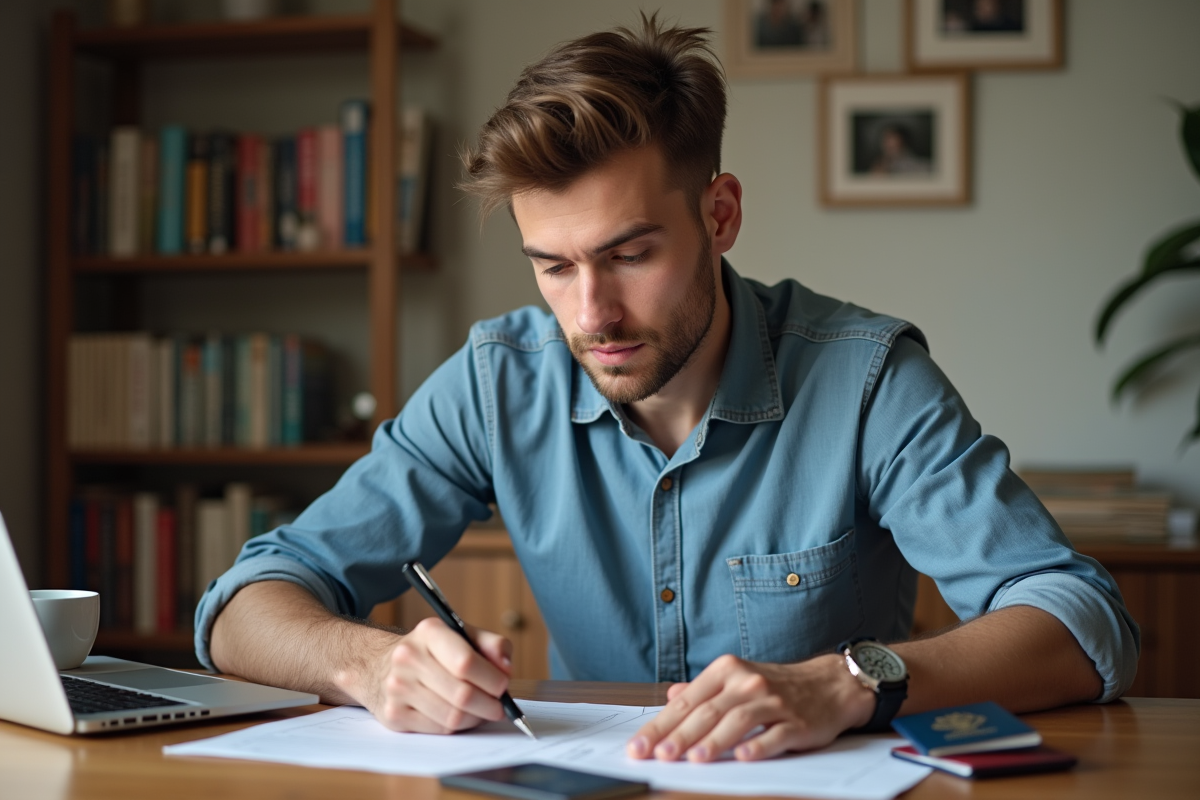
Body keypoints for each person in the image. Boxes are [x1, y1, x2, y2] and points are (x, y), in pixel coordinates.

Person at [199, 15, 1138, 764]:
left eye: (630, 255)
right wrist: (372, 663)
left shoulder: (867, 379)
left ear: (719, 215)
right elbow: (245, 607)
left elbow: (1078, 618)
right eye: (553, 267)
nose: (591, 313)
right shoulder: (497, 380)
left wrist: (848, 681)